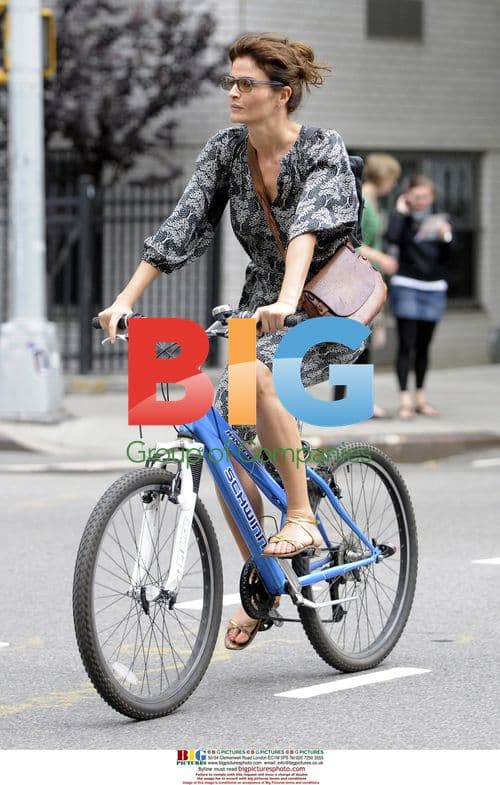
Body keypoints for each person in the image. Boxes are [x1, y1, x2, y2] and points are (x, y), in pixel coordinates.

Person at [97, 33, 360, 650]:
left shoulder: (322, 150)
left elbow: (306, 230)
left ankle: (301, 517)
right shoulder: (225, 152)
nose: (234, 94)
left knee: (257, 379)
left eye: (247, 84)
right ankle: (265, 582)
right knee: (222, 432)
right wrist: (125, 300)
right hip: (260, 307)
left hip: (320, 307)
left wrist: (289, 300)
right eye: (231, 83)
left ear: (283, 94)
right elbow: (183, 223)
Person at [334, 153, 401, 416]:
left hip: (367, 280)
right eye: (393, 178)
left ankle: (349, 400)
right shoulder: (362, 200)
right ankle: (355, 402)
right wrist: (382, 258)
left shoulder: (371, 200)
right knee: (358, 341)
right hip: (358, 282)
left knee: (357, 341)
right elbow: (352, 243)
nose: (394, 184)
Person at [385, 174, 454, 419]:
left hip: (434, 288)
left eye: (425, 197)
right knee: (406, 344)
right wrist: (400, 213)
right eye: (416, 197)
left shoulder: (440, 220)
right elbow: (391, 238)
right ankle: (405, 398)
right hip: (407, 285)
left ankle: (421, 397)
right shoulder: (402, 220)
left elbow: (452, 258)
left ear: (432, 197)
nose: (421, 201)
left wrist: (447, 237)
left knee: (424, 346)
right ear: (407, 197)